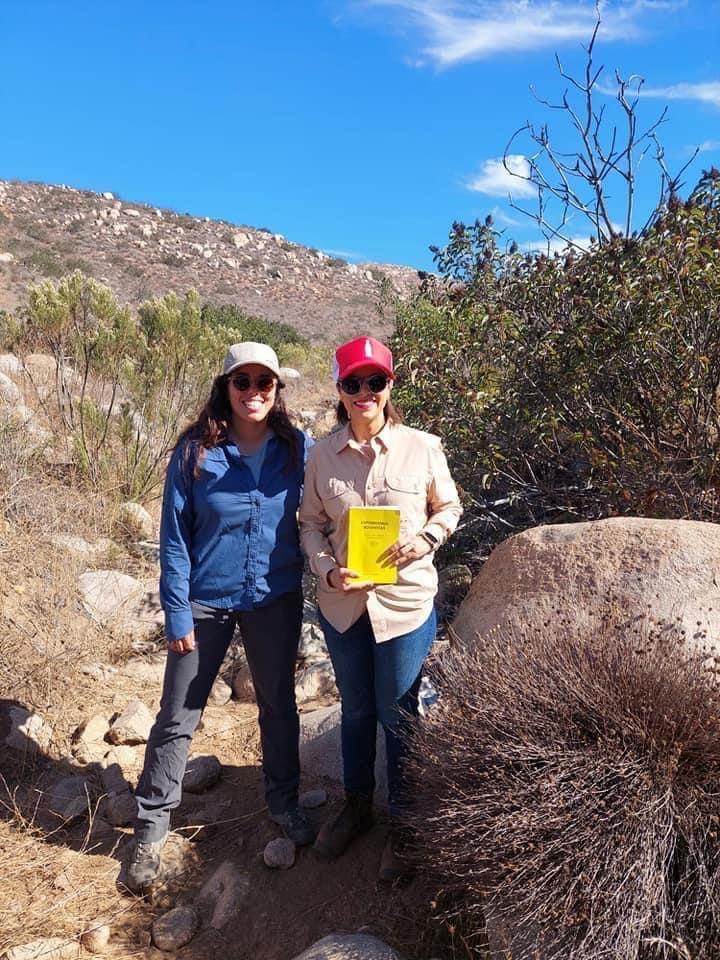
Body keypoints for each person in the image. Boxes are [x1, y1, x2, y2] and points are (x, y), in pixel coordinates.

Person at [125, 341, 315, 894]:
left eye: (265, 383)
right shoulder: (195, 453)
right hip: (205, 601)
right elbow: (174, 539)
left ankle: (283, 803)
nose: (253, 392)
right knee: (179, 713)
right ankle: (152, 828)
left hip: (272, 597)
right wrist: (177, 612)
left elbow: (327, 504)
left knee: (279, 704)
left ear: (277, 391)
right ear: (226, 387)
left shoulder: (294, 448)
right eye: (243, 381)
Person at [299, 335, 461, 881]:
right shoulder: (322, 456)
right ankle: (357, 807)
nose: (364, 392)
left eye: (375, 381)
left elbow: (449, 506)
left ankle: (405, 823)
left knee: (399, 715)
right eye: (353, 383)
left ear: (390, 386)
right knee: (356, 709)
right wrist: (326, 568)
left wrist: (428, 539)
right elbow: (310, 524)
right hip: (344, 606)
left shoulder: (423, 447)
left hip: (406, 603)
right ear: (340, 390)